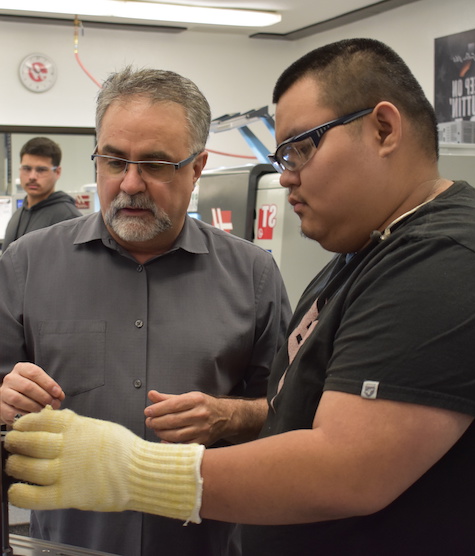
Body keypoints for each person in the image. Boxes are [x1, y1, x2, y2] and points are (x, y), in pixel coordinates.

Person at [5, 38, 475, 556]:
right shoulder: (362, 257)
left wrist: (132, 468)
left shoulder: (443, 262)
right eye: (113, 160)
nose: (285, 175)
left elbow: (348, 469)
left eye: (301, 148)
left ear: (383, 129)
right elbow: (292, 409)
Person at [0, 67, 291, 556]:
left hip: (207, 543)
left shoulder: (254, 276)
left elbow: (291, 415)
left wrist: (229, 415)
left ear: (197, 167)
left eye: (155, 164)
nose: (130, 183)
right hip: (68, 545)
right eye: (114, 161)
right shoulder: (25, 264)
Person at [2, 137, 82, 252]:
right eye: (26, 168)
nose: (32, 177)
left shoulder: (69, 220)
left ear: (57, 172)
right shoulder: (18, 215)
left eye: (41, 170)